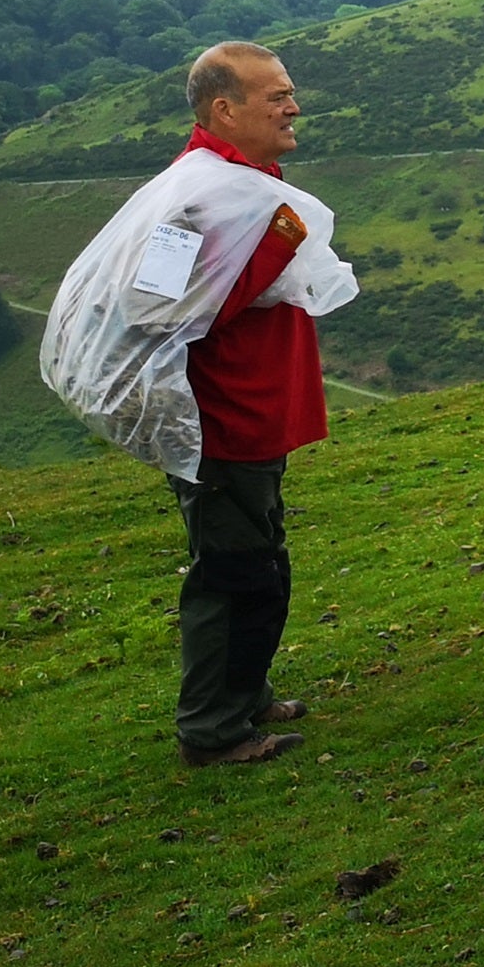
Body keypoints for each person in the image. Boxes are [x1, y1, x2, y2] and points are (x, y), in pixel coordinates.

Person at [166, 43, 326, 766]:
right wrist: (285, 240)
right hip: (220, 420)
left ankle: (246, 693)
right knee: (231, 573)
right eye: (276, 97)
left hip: (255, 412)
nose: (293, 107)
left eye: (291, 93)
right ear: (224, 109)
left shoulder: (246, 181)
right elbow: (167, 309)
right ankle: (211, 729)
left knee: (258, 560)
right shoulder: (190, 197)